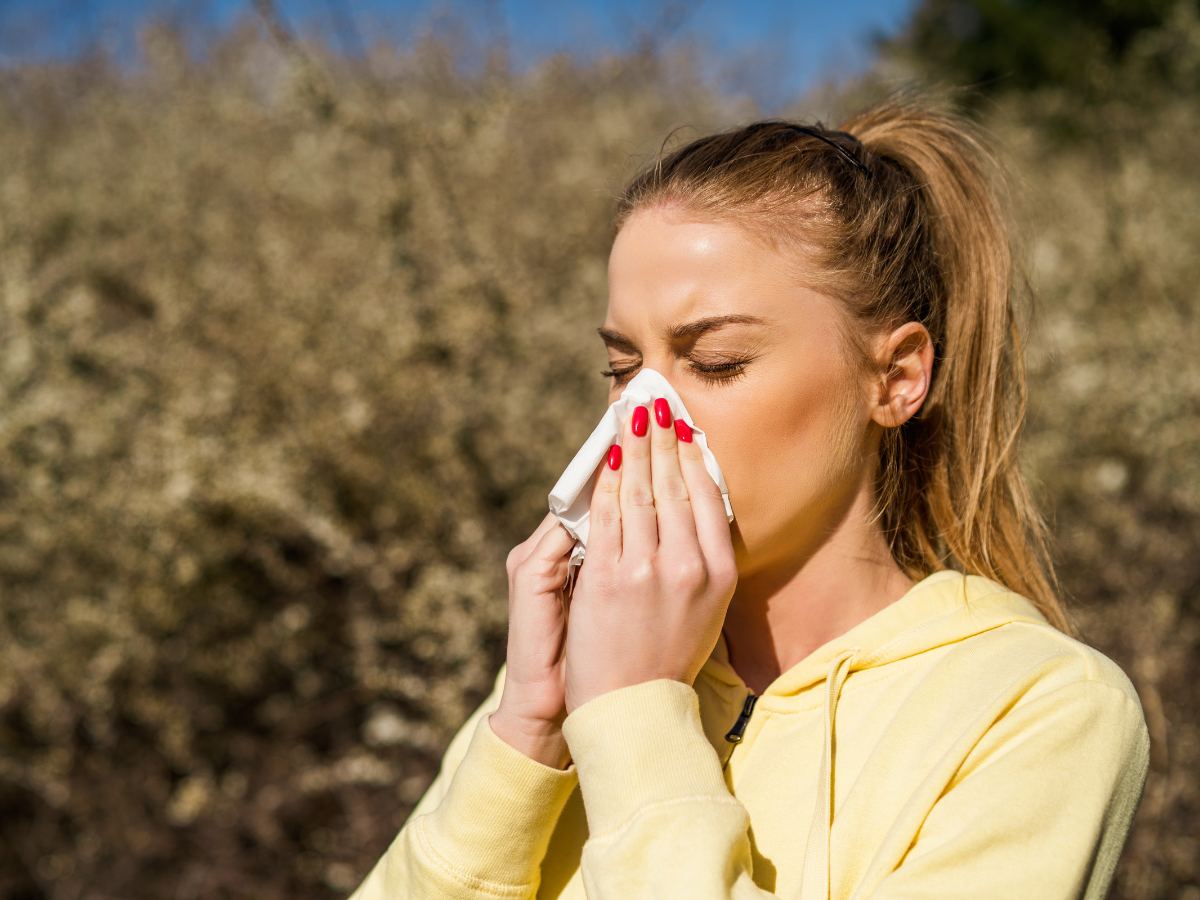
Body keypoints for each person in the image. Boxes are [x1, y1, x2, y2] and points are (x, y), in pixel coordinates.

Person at [350, 100, 1149, 900]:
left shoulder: (1038, 709)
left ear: (897, 377)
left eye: (719, 363)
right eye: (624, 369)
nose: (641, 420)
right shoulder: (568, 683)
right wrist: (525, 732)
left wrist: (636, 722)